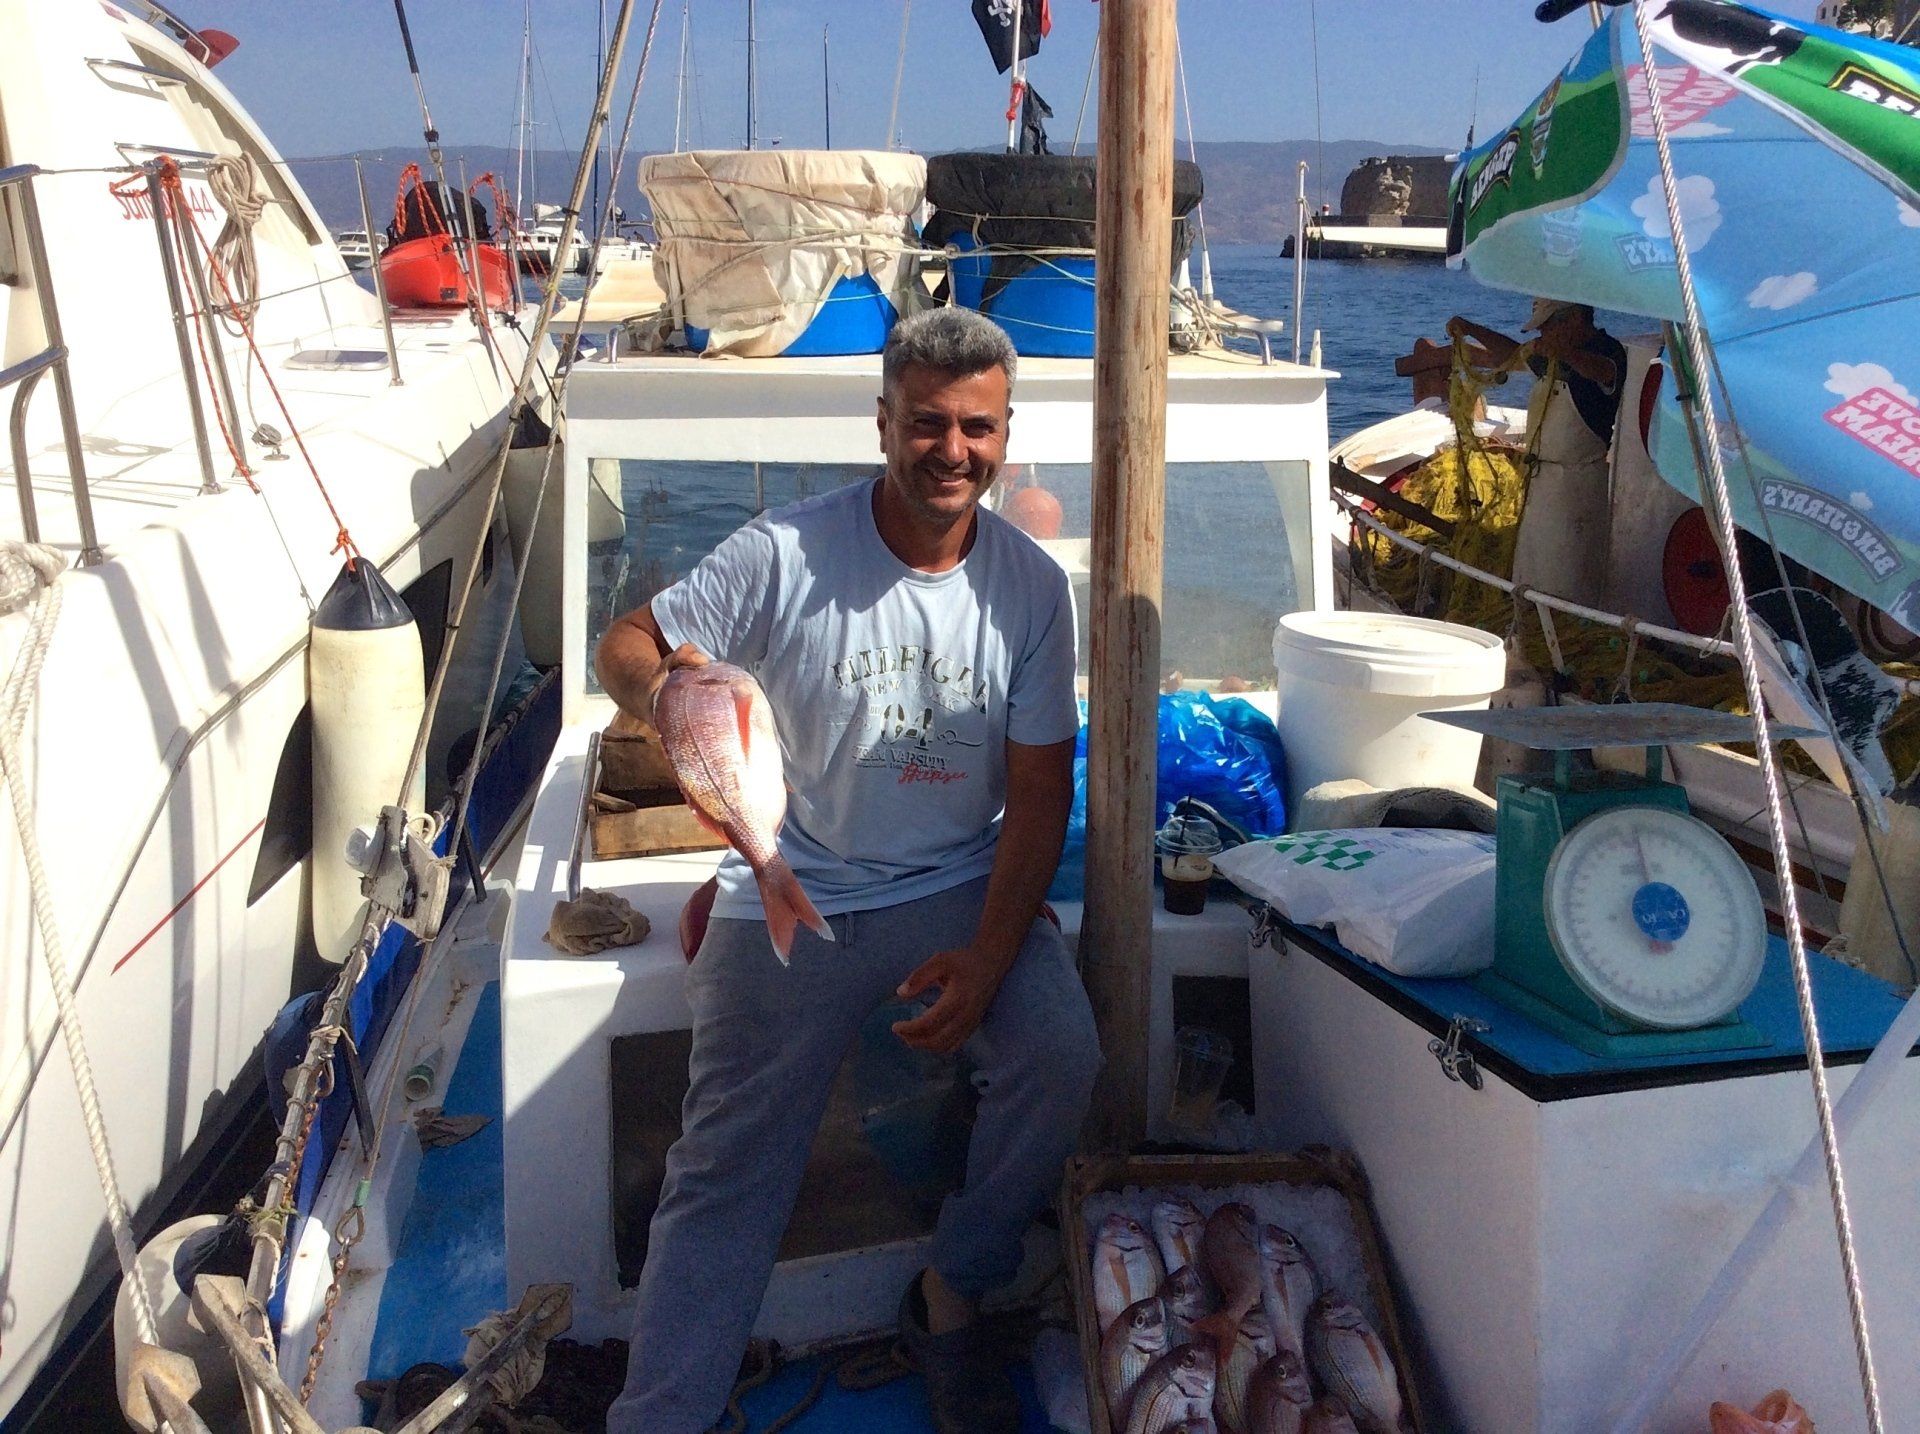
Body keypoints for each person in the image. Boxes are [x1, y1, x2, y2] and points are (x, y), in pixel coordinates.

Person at [595, 306, 1101, 1434]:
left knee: (1063, 1057)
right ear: (884, 423)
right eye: (928, 423)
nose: (953, 451)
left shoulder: (1031, 588)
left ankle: (952, 1290)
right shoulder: (786, 553)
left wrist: (987, 958)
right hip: (798, 878)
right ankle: (661, 1416)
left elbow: (1043, 793)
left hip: (960, 883)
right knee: (726, 1165)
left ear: (1005, 434)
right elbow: (626, 640)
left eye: (978, 428)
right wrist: (667, 696)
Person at [1447, 299, 1626, 606]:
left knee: (1568, 575)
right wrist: (1472, 329)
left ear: (1575, 320)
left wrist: (1565, 353)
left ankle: (1570, 630)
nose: (1542, 333)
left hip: (1578, 484)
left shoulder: (1608, 351)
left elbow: (1603, 373)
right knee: (1531, 572)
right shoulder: (1548, 353)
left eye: (1548, 325)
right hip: (1540, 479)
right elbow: (1512, 355)